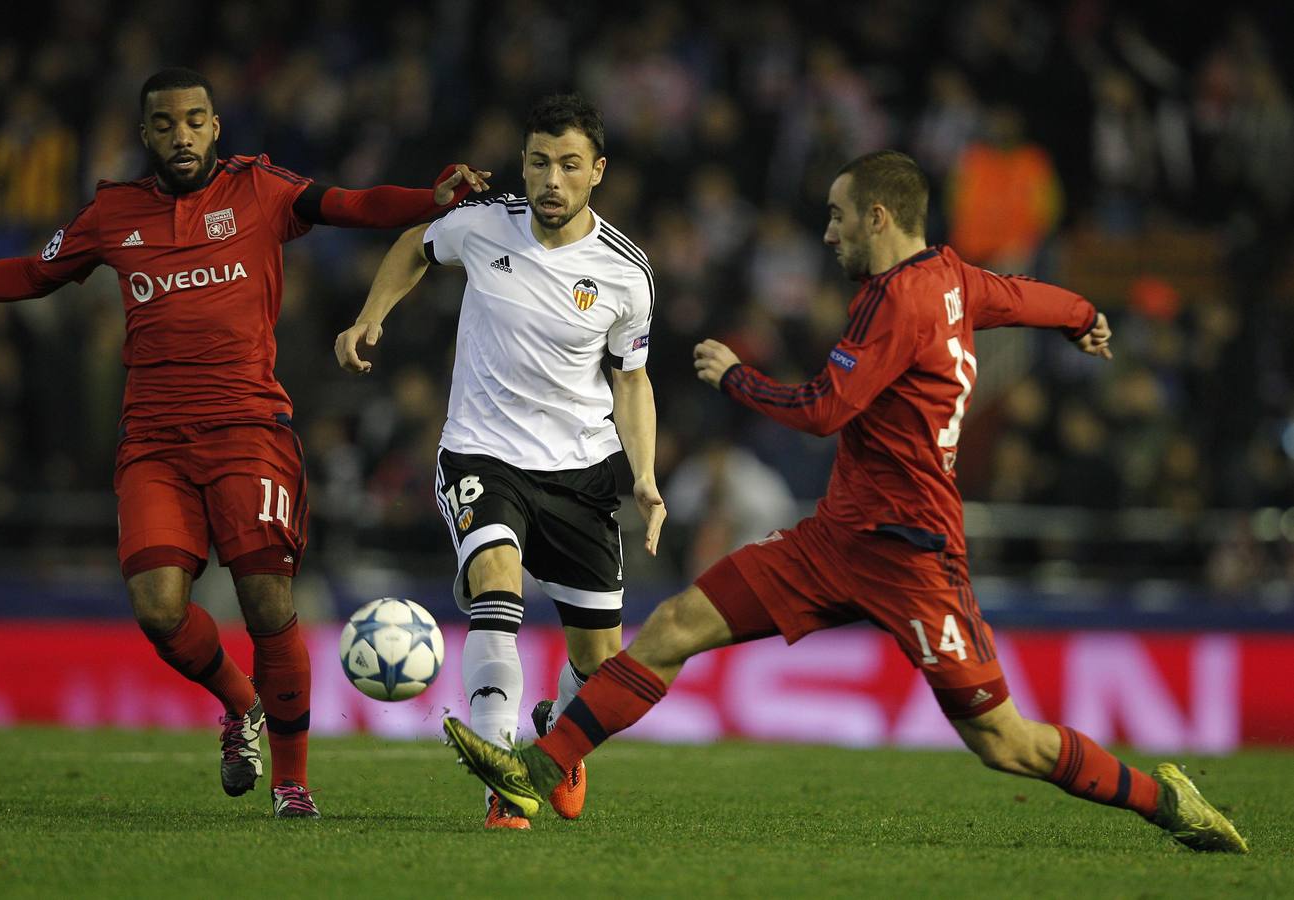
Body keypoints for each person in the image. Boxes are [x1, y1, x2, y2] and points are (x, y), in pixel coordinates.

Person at [441, 150, 1249, 854]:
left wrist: (736, 378)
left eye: (834, 218)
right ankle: (536, 772)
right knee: (675, 626)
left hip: (914, 559)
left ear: (876, 216)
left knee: (1004, 744)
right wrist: (1081, 317)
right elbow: (1020, 295)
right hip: (834, 542)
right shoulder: (956, 281)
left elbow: (825, 409)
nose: (825, 234)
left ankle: (1165, 800)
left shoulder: (898, 301)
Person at [0, 67, 491, 820]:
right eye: (165, 124)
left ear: (216, 125)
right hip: (155, 441)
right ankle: (241, 706)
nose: (182, 135)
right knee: (158, 608)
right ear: (146, 134)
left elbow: (347, 204)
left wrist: (428, 199)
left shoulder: (258, 190)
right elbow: (35, 274)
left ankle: (292, 786)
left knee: (267, 603)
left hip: (247, 431)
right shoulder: (113, 212)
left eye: (195, 120)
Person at [336, 93, 664, 830]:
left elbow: (631, 379)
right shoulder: (482, 224)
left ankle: (558, 730)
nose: (552, 179)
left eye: (569, 165)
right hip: (481, 452)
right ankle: (501, 769)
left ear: (597, 172)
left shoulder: (625, 273)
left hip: (580, 471)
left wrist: (642, 477)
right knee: (496, 580)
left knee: (600, 664)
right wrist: (370, 317)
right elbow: (416, 245)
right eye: (540, 162)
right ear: (523, 162)